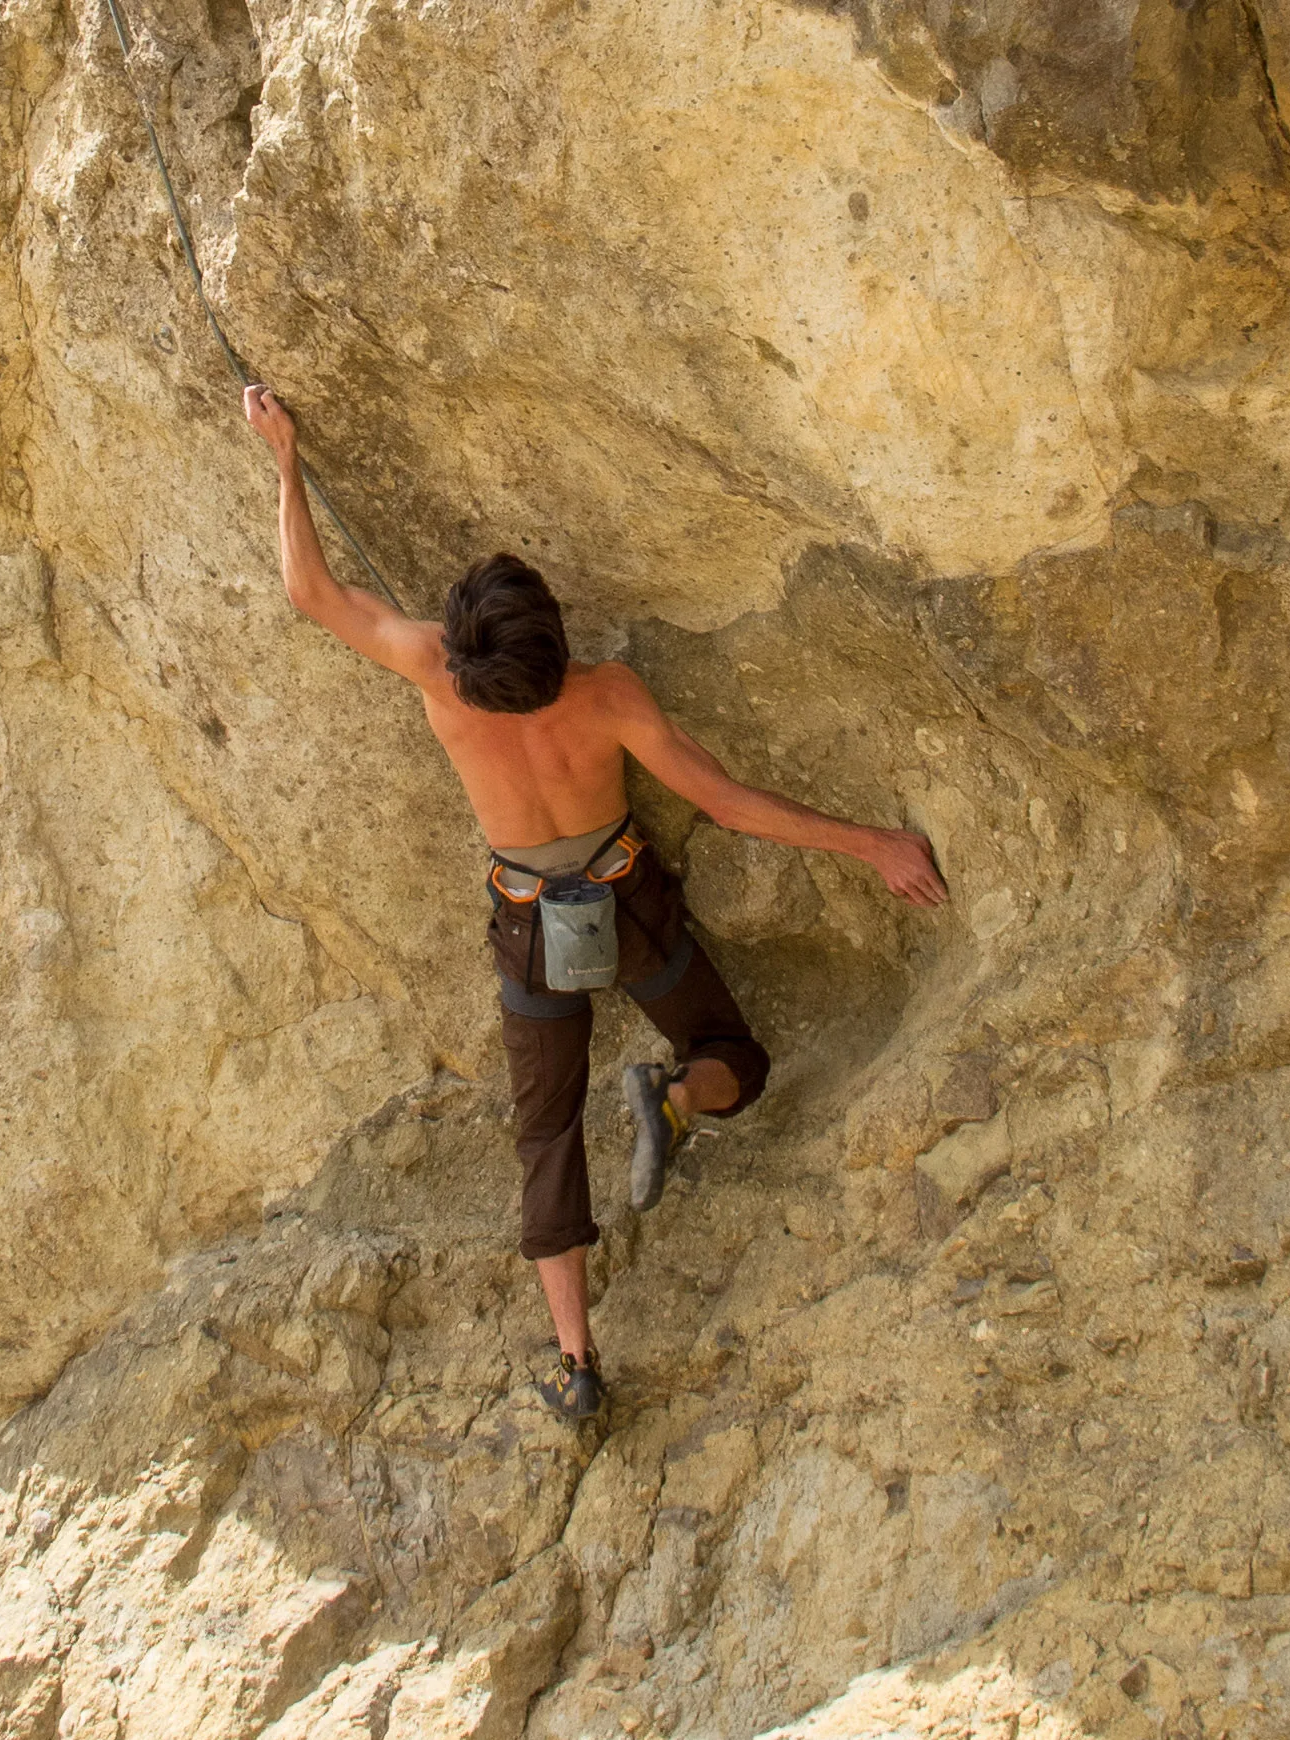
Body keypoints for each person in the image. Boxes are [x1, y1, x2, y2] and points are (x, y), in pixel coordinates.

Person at [242, 385, 947, 1420]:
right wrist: (873, 843)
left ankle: (577, 1366)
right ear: (554, 640)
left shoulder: (437, 672)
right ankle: (674, 1097)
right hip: (627, 899)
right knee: (735, 1058)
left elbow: (311, 590)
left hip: (527, 923)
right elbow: (727, 801)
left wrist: (285, 458)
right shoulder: (607, 696)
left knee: (546, 1135)